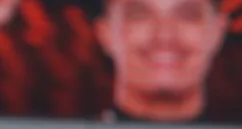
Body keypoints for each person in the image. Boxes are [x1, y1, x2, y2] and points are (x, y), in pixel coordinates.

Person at [94, 0, 229, 122]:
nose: (165, 35)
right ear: (105, 33)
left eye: (188, 15)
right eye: (140, 15)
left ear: (217, 32)